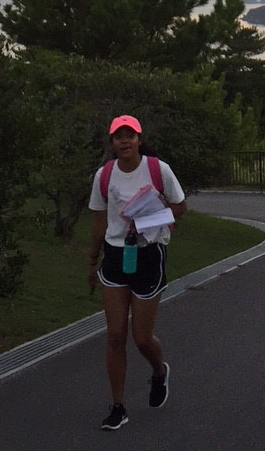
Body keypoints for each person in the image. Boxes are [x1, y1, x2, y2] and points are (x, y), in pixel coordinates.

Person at [88, 114, 188, 432]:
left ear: (139, 140)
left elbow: (180, 206)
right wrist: (93, 260)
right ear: (112, 142)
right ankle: (118, 406)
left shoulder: (158, 170)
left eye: (130, 136)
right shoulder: (104, 175)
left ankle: (159, 371)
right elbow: (100, 221)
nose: (125, 141)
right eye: (119, 137)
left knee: (142, 338)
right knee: (115, 334)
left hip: (148, 254)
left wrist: (147, 217)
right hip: (116, 256)